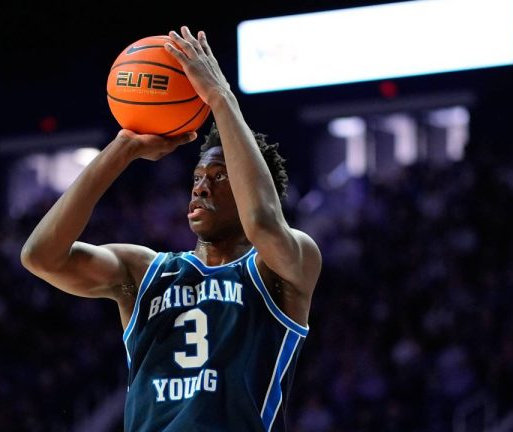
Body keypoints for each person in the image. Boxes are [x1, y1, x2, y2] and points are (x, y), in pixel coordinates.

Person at [20, 26, 322, 432]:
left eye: (220, 176)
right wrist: (123, 148)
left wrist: (220, 97)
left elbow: (262, 223)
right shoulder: (145, 273)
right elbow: (39, 256)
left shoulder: (283, 268)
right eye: (198, 175)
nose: (200, 185)